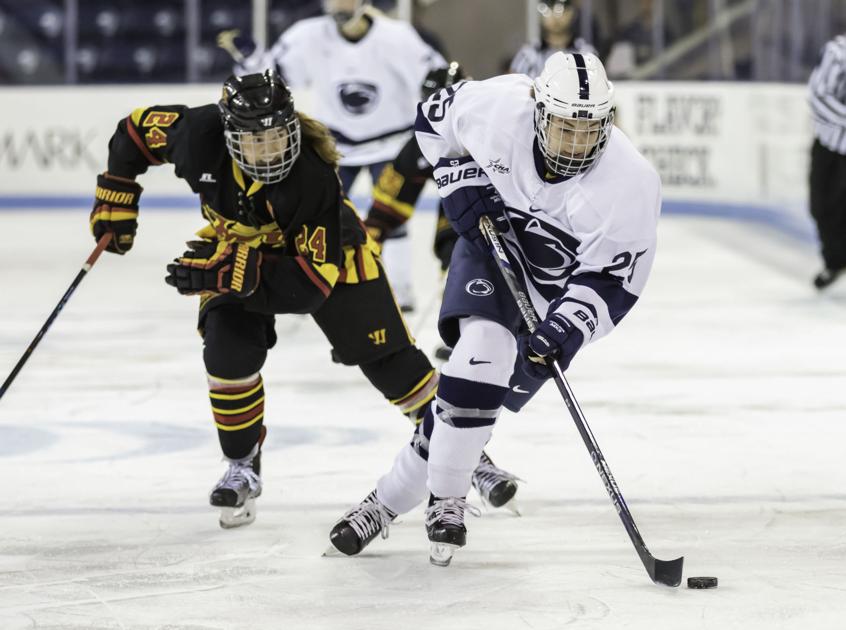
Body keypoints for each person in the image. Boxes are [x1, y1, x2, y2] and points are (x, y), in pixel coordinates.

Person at [88, 70, 518, 530]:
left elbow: (309, 285)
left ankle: (470, 456)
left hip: (326, 257)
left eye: (276, 138)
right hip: (236, 251)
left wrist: (237, 274)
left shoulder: (311, 175)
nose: (269, 152)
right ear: (230, 136)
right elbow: (133, 131)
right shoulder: (194, 134)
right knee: (227, 354)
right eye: (255, 143)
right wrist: (117, 194)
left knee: (392, 363)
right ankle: (242, 465)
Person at [329, 52, 661, 566]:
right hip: (489, 249)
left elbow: (615, 281)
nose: (575, 144)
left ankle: (383, 503)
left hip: (554, 295)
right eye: (563, 127)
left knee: (469, 407)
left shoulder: (630, 181)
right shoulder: (494, 105)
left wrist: (569, 329)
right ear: (536, 108)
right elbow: (432, 122)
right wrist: (455, 175)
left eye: (588, 129)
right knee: (484, 350)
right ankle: (448, 502)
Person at [218, 0, 447, 310]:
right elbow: (272, 77)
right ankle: (315, 284)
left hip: (392, 146)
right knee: (322, 218)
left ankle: (400, 292)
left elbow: (437, 78)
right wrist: (250, 56)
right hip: (337, 145)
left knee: (392, 223)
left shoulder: (397, 37)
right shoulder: (308, 35)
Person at [807, 33, 846, 289]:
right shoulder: (837, 52)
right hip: (830, 146)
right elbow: (818, 97)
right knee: (820, 207)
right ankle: (835, 261)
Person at [509, 0, 597, 78]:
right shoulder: (528, 54)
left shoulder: (586, 52)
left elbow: (597, 83)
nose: (555, 16)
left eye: (562, 9)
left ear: (571, 13)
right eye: (549, 9)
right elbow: (514, 85)